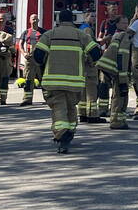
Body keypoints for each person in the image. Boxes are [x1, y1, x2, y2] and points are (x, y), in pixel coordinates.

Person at [32, 9, 102, 153]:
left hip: (53, 81)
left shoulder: (49, 35)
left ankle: (62, 133)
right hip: (75, 83)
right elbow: (96, 53)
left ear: (59, 20)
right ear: (73, 20)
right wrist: (87, 61)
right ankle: (69, 132)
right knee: (71, 109)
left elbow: (38, 55)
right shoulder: (81, 35)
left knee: (59, 109)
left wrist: (44, 64)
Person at [97, 15, 133, 129]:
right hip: (120, 71)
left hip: (114, 69)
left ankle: (119, 120)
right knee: (120, 96)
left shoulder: (117, 36)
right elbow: (122, 56)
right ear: (117, 24)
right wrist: (123, 75)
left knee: (118, 95)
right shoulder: (123, 36)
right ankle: (117, 122)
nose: (126, 25)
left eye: (127, 23)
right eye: (123, 23)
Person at [77, 12, 105, 123]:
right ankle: (93, 115)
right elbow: (88, 47)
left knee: (83, 90)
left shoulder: (81, 28)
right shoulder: (88, 30)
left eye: (95, 16)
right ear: (85, 17)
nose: (94, 18)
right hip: (89, 65)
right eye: (91, 16)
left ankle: (82, 114)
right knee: (92, 90)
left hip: (82, 65)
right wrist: (92, 61)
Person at [17, 14, 46, 106]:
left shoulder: (43, 32)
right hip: (29, 59)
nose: (35, 21)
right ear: (30, 21)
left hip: (40, 60)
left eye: (36, 19)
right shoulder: (26, 32)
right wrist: (24, 53)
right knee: (29, 79)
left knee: (43, 79)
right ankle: (27, 99)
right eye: (33, 19)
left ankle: (48, 99)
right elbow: (20, 44)